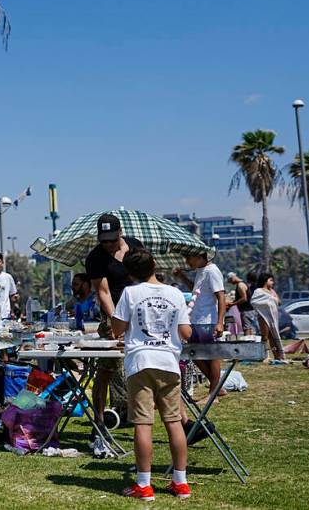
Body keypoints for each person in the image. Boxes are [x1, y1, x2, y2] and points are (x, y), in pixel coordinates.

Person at [111, 249, 193, 501]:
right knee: (174, 422)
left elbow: (117, 329)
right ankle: (180, 482)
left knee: (143, 423)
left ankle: (144, 485)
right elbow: (186, 332)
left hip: (140, 362)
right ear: (155, 265)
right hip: (168, 362)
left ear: (130, 273)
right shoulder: (175, 293)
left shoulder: (130, 293)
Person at [84, 214, 145, 429]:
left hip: (140, 313)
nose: (108, 244)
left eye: (112, 239)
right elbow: (103, 293)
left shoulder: (136, 246)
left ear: (120, 233)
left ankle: (142, 415)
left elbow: (146, 276)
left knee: (144, 365)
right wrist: (115, 322)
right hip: (113, 314)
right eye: (104, 240)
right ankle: (99, 421)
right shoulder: (95, 258)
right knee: (106, 368)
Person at [173, 253, 226, 398]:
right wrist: (182, 277)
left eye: (189, 257)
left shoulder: (212, 270)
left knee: (211, 354)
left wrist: (220, 322)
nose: (187, 261)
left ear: (201, 257)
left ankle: (213, 394)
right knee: (194, 352)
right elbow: (196, 290)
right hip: (197, 319)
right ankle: (217, 387)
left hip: (208, 319)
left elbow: (221, 297)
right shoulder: (200, 271)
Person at [249, 272, 286, 362]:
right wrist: (269, 299)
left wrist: (272, 296)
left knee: (273, 337)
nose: (273, 282)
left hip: (273, 317)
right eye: (271, 280)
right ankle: (264, 355)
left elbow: (279, 302)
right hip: (263, 316)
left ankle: (277, 355)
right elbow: (254, 301)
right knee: (265, 336)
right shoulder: (258, 291)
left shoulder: (272, 291)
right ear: (265, 281)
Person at [227, 272, 257, 336]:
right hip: (249, 309)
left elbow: (244, 298)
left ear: (233, 278)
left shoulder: (240, 285)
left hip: (246, 310)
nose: (231, 283)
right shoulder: (243, 283)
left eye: (230, 281)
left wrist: (233, 304)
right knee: (250, 328)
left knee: (246, 328)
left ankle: (248, 342)